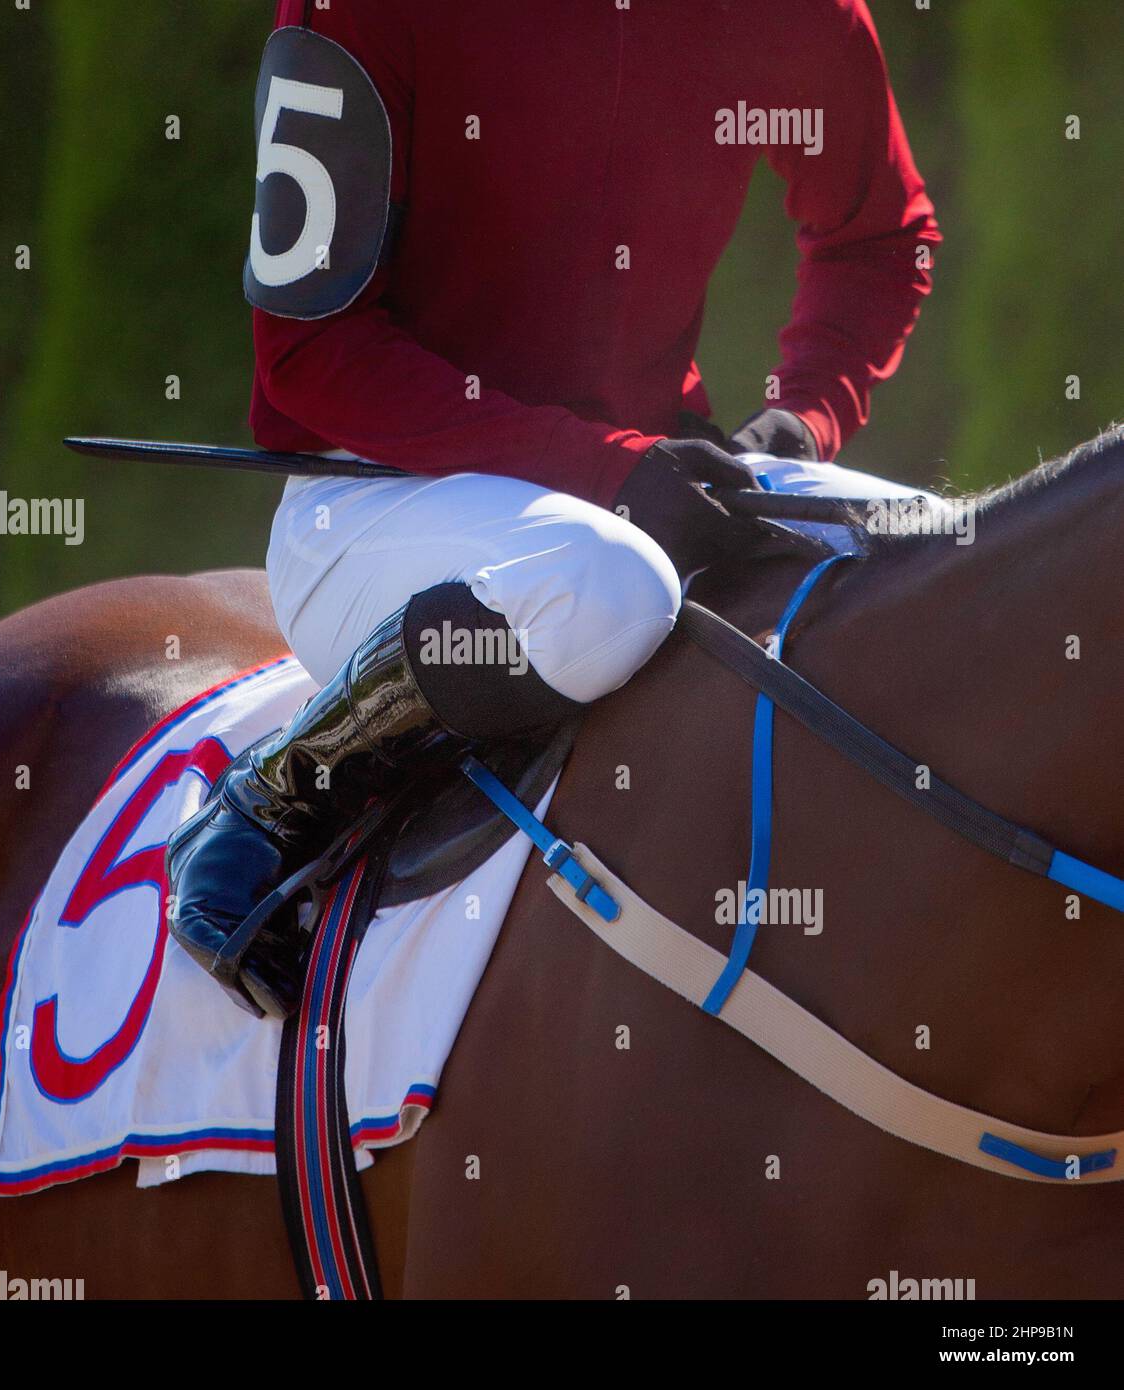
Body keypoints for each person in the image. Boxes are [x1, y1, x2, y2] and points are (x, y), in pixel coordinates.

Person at [167, 0, 941, 1019]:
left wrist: (796, 426)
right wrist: (606, 466)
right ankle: (279, 792)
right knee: (608, 587)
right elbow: (311, 353)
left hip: (645, 483)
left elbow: (880, 240)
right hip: (378, 499)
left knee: (943, 561)